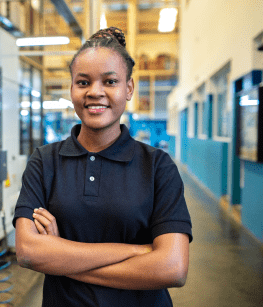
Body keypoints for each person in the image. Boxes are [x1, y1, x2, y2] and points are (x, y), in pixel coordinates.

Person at [13, 27, 192, 307]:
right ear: (72, 88)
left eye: (110, 81)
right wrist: (136, 252)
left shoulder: (158, 166)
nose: (95, 92)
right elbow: (27, 251)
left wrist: (61, 256)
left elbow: (172, 267)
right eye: (83, 83)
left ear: (129, 88)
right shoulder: (44, 162)